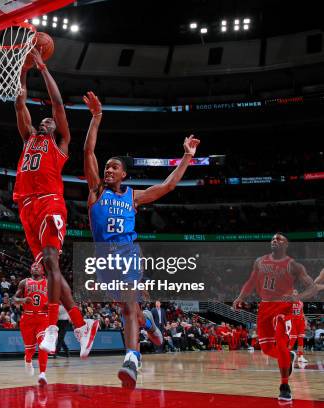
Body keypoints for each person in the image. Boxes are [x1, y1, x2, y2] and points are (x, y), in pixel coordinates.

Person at [82, 91, 199, 388]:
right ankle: (151, 326)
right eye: (106, 166)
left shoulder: (134, 196)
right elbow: (87, 153)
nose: (108, 169)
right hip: (103, 259)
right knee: (132, 310)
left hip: (129, 253)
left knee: (127, 307)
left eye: (114, 167)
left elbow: (169, 185)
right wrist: (96, 119)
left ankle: (131, 359)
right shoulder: (96, 192)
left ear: (124, 174)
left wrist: (187, 156)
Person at [14, 49, 97, 357]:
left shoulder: (60, 144)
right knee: (49, 269)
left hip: (50, 202)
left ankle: (52, 328)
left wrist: (42, 68)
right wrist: (22, 70)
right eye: (44, 119)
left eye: (51, 121)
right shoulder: (28, 138)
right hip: (26, 206)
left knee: (51, 261)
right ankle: (79, 324)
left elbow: (59, 104)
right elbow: (19, 101)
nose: (47, 119)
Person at [233, 233, 319, 401]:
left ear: (286, 244)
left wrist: (298, 297)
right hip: (265, 307)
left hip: (283, 307)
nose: (275, 240)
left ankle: (284, 385)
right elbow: (251, 282)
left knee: (280, 343)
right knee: (266, 348)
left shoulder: (294, 265)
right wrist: (241, 297)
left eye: (279, 239)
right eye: (273, 238)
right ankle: (289, 356)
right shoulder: (259, 261)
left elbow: (313, 288)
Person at [13, 263, 49, 385]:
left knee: (43, 344)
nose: (35, 267)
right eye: (33, 266)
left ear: (43, 270)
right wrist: (23, 300)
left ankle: (42, 374)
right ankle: (27, 360)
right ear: (30, 269)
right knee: (30, 349)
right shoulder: (24, 282)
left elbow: (56, 300)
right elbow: (14, 299)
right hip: (27, 318)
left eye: (38, 266)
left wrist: (49, 305)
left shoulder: (48, 283)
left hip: (42, 317)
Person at [287, 290, 308, 364]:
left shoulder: (301, 303)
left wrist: (305, 320)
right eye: (292, 292)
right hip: (292, 322)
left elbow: (302, 312)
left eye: (295, 292)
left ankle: (300, 357)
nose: (294, 293)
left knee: (301, 340)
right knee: (293, 339)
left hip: (300, 322)